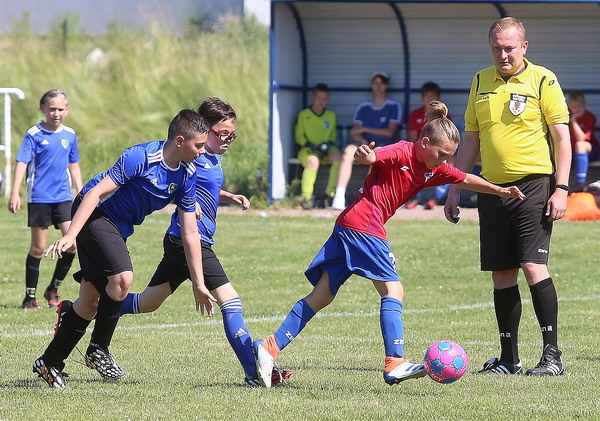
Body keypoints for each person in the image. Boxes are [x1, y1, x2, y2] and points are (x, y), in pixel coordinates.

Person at [253, 101, 525, 388]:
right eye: (442, 154)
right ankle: (395, 363)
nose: (445, 161)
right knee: (393, 290)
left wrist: (500, 190)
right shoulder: (402, 151)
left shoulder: (434, 168)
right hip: (364, 226)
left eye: (449, 156)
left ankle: (269, 347)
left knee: (322, 295)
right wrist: (365, 155)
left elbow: (465, 178)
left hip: (350, 225)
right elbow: (374, 156)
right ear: (425, 143)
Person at [56, 97, 289, 386]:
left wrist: (226, 197)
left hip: (183, 241)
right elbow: (172, 184)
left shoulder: (208, 159)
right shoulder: (191, 159)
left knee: (148, 302)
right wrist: (189, 208)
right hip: (189, 242)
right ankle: (254, 370)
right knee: (231, 301)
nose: (228, 140)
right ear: (202, 131)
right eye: (223, 134)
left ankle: (81, 311)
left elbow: (197, 189)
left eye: (232, 135)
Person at [33, 109, 216, 388]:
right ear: (180, 141)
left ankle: (50, 362)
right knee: (122, 279)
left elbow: (190, 232)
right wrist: (71, 234)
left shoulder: (188, 173)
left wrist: (199, 284)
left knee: (90, 302)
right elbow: (95, 193)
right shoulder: (141, 157)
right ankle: (98, 350)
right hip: (95, 213)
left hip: (118, 227)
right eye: (199, 145)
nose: (203, 152)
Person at [444, 17, 571, 377]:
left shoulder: (543, 80)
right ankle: (509, 359)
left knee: (532, 265)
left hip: (533, 186)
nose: (503, 54)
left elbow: (562, 138)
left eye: (509, 48)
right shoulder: (480, 80)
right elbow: (471, 137)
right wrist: (456, 187)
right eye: (496, 48)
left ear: (524, 47)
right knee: (501, 273)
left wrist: (561, 188)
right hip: (492, 188)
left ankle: (552, 356)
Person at [8, 90, 83, 309]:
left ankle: (53, 289)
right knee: (38, 247)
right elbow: (22, 162)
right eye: (51, 109)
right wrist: (15, 192)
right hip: (40, 197)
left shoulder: (69, 135)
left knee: (72, 244)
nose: (56, 113)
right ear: (43, 108)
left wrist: (81, 191)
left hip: (63, 197)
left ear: (67, 110)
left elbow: (74, 165)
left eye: (60, 109)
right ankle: (29, 297)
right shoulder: (34, 134)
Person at [331, 72, 401, 210]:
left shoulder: (394, 106)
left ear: (386, 86)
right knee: (347, 152)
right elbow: (354, 132)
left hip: (383, 145)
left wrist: (364, 129)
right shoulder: (363, 107)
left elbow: (389, 132)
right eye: (375, 83)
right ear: (371, 85)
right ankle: (339, 196)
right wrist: (363, 139)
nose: (378, 86)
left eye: (381, 83)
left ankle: (367, 197)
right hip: (363, 143)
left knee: (375, 156)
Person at [406, 82, 452, 210]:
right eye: (427, 96)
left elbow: (447, 140)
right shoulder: (415, 115)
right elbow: (413, 140)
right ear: (422, 98)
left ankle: (435, 198)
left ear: (439, 98)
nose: (430, 99)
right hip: (421, 151)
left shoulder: (445, 116)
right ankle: (415, 197)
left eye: (433, 96)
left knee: (452, 162)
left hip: (439, 152)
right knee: (409, 161)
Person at [295, 83, 341, 209]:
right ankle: (306, 198)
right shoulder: (304, 114)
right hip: (308, 149)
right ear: (313, 97)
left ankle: (330, 195)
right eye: (319, 98)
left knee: (338, 157)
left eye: (324, 98)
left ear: (328, 100)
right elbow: (299, 138)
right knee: (313, 161)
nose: (321, 101)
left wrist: (326, 145)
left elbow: (333, 137)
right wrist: (312, 145)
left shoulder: (330, 115)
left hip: (325, 148)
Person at [568, 92, 597, 190]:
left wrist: (573, 121)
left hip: (589, 152)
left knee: (580, 145)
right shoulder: (564, 116)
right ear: (569, 106)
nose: (576, 109)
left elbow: (581, 138)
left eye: (579, 105)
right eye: (573, 106)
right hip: (570, 152)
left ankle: (580, 182)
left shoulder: (589, 117)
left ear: (585, 105)